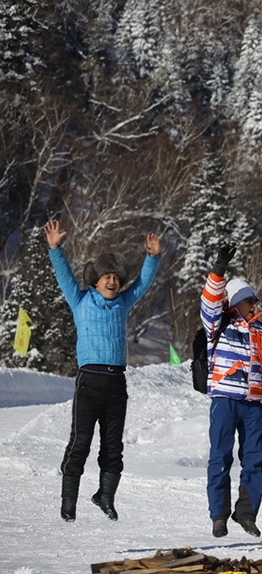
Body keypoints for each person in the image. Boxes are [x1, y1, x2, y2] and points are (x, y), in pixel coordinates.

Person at [44, 219, 162, 522]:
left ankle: (105, 496)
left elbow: (143, 284)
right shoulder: (80, 300)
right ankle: (68, 501)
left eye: (116, 277)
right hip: (89, 381)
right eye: (106, 276)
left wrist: (152, 258)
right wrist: (55, 249)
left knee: (113, 446)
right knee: (80, 442)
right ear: (95, 280)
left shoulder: (123, 302)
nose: (112, 281)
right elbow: (64, 276)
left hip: (116, 383)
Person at [201, 243, 262, 538]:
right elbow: (210, 300)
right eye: (249, 299)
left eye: (255, 299)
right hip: (224, 399)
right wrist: (219, 267)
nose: (255, 303)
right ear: (236, 302)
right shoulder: (219, 323)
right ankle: (219, 515)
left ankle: (246, 512)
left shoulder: (261, 330)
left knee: (254, 460)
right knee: (221, 457)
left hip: (253, 405)